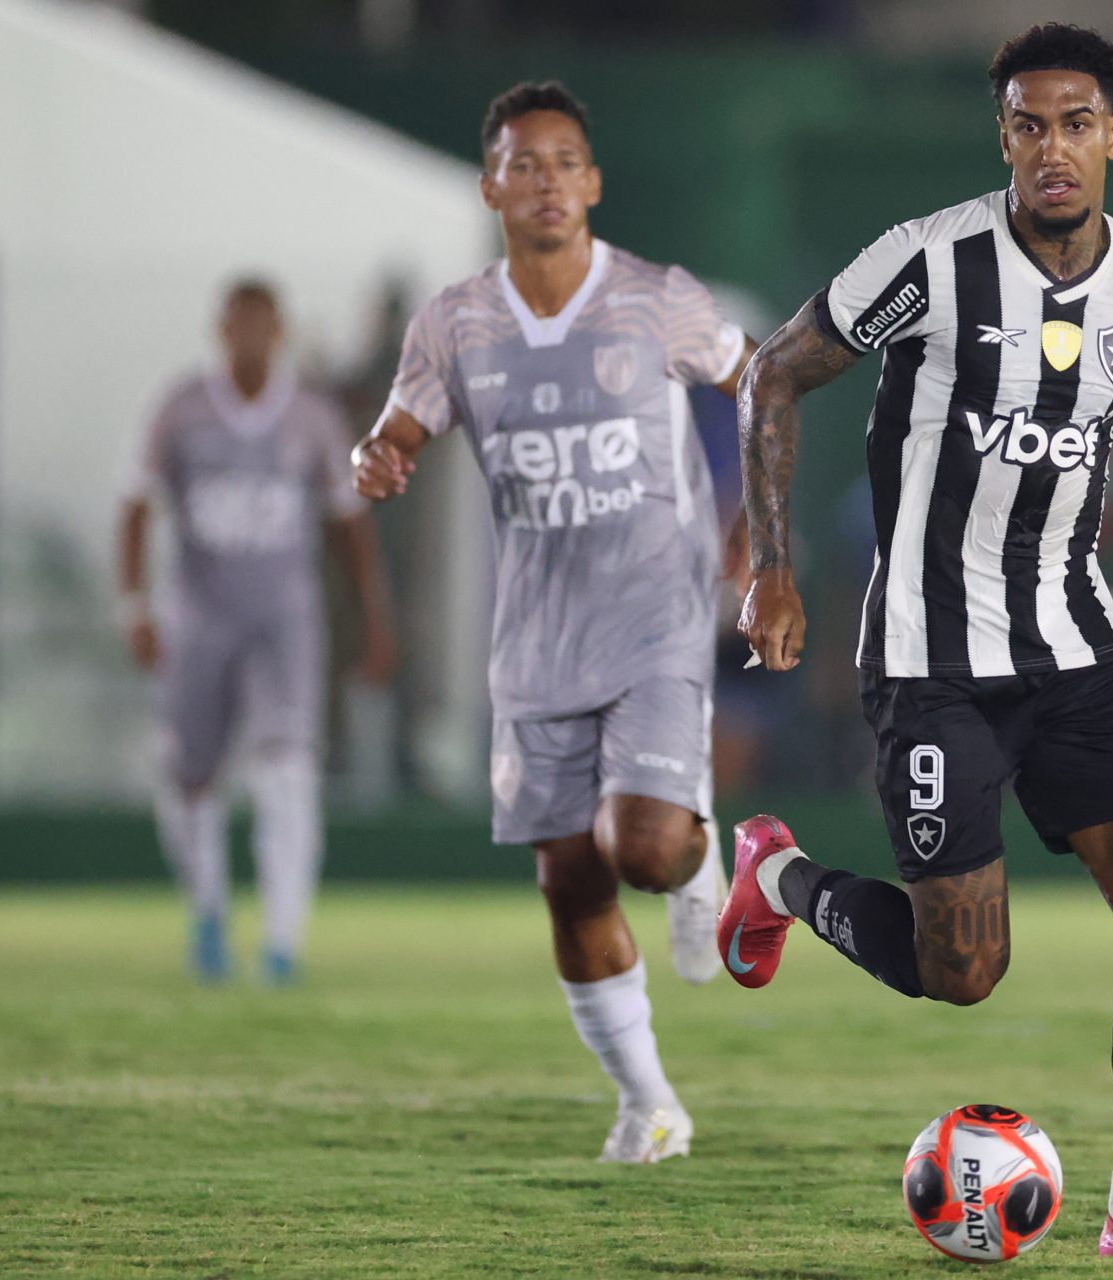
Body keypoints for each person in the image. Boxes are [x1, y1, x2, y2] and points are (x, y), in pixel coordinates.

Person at [719, 24, 1113, 1257]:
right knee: (964, 971)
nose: (1051, 148)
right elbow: (771, 376)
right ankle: (779, 877)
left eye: (1075, 123)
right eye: (1027, 125)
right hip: (930, 656)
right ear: (1001, 136)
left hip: (1075, 651)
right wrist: (776, 567)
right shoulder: (930, 259)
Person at [350, 82, 752, 1163]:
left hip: (658, 617)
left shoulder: (656, 298)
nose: (548, 182)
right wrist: (379, 455)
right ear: (490, 186)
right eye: (524, 165)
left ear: (595, 183)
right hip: (535, 644)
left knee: (644, 846)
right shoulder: (457, 320)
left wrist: (752, 513)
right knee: (570, 881)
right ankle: (649, 1099)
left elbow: (751, 377)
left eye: (567, 161)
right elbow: (399, 427)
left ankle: (696, 850)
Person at [119, 279, 397, 985]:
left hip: (283, 619)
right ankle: (208, 909)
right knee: (189, 775)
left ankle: (282, 940)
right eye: (239, 323)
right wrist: (136, 606)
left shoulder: (310, 416)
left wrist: (375, 617)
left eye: (263, 324)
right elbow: (136, 503)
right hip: (200, 617)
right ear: (221, 329)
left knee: (286, 771)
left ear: (282, 332)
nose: (250, 336)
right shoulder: (183, 409)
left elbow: (349, 524)